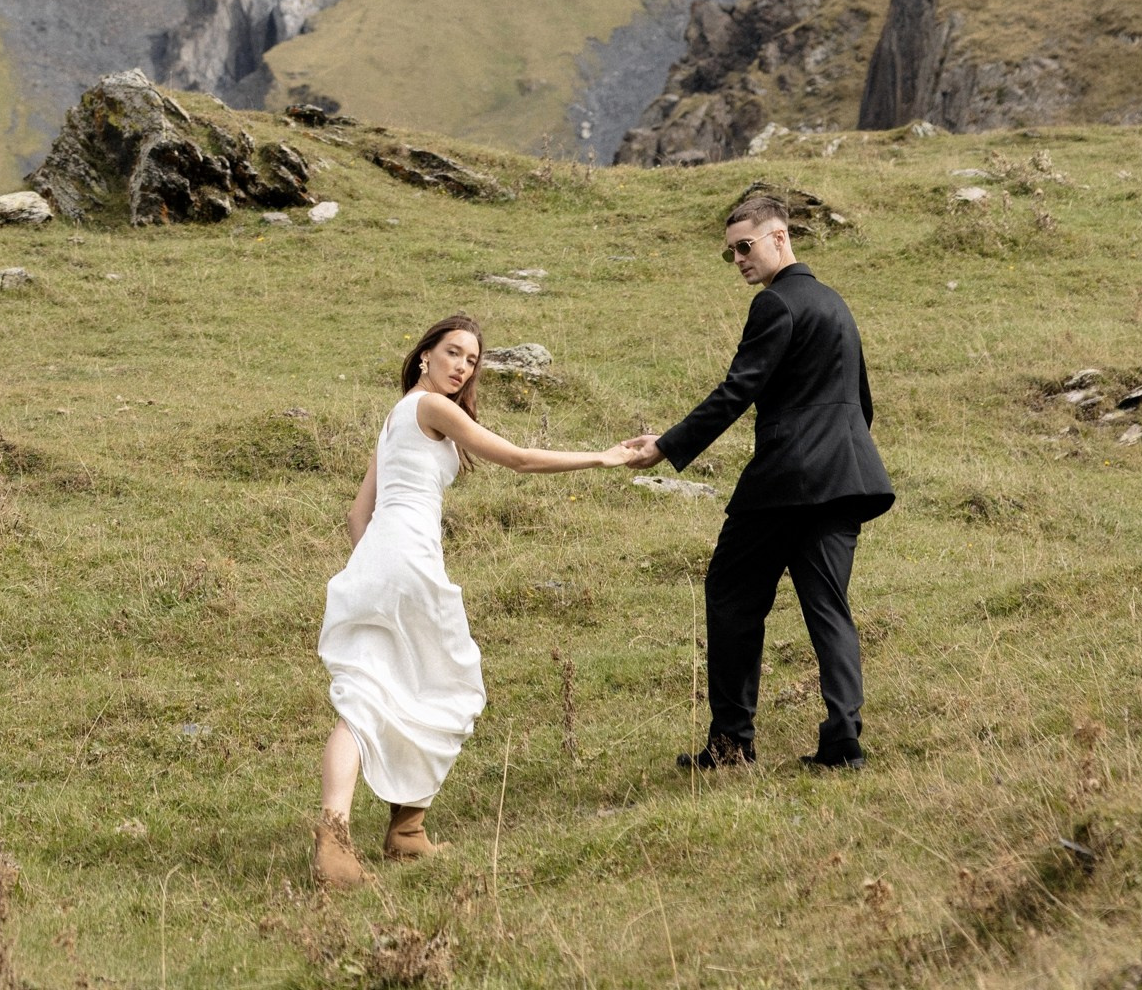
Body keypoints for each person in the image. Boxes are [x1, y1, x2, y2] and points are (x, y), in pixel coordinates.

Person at [314, 311, 647, 889]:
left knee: (392, 688)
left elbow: (355, 514)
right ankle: (346, 839)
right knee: (433, 687)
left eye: (471, 360)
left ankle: (401, 833)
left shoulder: (396, 418)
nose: (462, 366)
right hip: (406, 561)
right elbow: (516, 458)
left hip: (378, 560)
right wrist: (604, 457)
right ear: (424, 355)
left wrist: (375, 567)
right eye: (452, 353)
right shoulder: (431, 408)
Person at [629, 187, 894, 773]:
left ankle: (731, 745)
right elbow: (861, 402)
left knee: (731, 595)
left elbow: (737, 389)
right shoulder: (835, 303)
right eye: (731, 253)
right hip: (846, 478)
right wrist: (839, 462)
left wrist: (665, 446)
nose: (740, 260)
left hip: (785, 481)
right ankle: (843, 743)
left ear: (780, 237)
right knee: (829, 607)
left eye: (745, 247)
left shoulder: (776, 305)